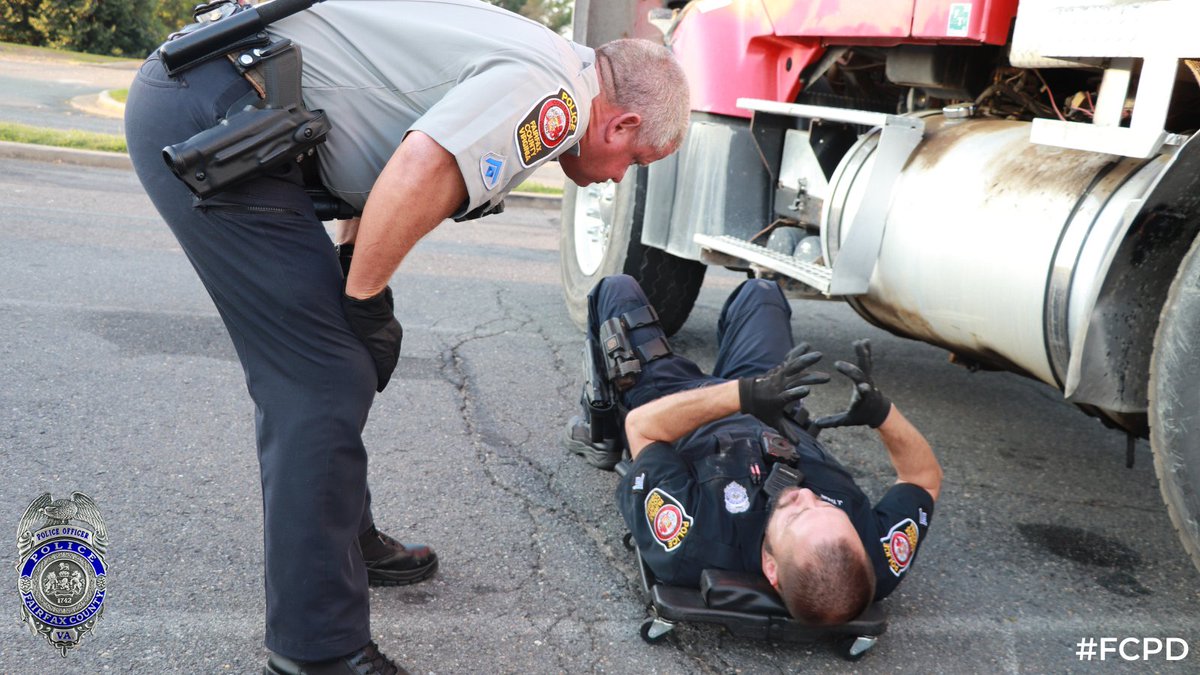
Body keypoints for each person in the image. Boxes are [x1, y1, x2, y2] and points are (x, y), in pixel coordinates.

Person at [123, 1, 690, 672]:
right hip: (211, 117)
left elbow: (379, 149)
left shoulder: (547, 57)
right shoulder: (555, 96)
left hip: (234, 102)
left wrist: (355, 273)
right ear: (623, 123)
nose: (620, 176)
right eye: (635, 159)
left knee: (336, 357)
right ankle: (319, 651)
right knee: (321, 376)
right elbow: (420, 166)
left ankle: (336, 539)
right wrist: (362, 301)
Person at [565, 275, 942, 625]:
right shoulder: (874, 559)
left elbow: (643, 428)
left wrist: (742, 394)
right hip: (774, 406)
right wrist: (882, 414)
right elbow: (923, 479)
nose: (806, 496)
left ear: (770, 567)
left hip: (679, 407)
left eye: (797, 514)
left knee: (616, 290)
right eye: (827, 507)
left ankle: (599, 430)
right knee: (761, 293)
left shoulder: (695, 537)